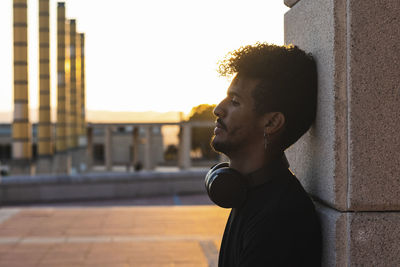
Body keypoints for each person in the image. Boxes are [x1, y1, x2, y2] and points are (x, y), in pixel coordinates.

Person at [208, 43, 321, 266]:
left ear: (271, 122)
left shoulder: (280, 219)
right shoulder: (250, 195)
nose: (218, 109)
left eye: (235, 102)